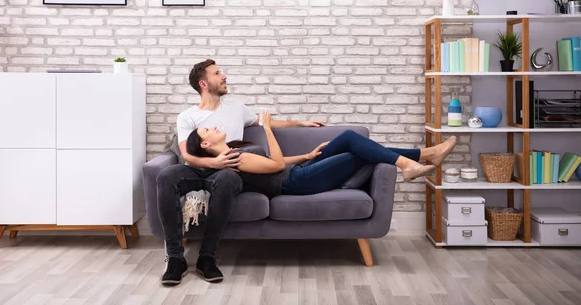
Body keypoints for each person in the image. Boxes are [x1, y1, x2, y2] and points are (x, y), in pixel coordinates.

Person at [158, 59, 325, 286]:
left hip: (228, 170)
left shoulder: (236, 108)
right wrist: (214, 162)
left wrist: (301, 123)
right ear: (204, 84)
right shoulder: (187, 117)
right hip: (198, 169)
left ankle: (206, 257)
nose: (224, 76)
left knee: (227, 178)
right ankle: (175, 259)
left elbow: (264, 122)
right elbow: (187, 155)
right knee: (166, 175)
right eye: (217, 73)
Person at [185, 110, 457, 199]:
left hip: (301, 171)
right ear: (206, 144)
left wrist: (306, 155)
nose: (214, 126)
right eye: (207, 129)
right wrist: (267, 127)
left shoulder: (234, 150)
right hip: (296, 182)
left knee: (351, 138)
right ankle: (415, 159)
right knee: (356, 153)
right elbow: (276, 165)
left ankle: (421, 156)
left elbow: (274, 164)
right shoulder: (236, 159)